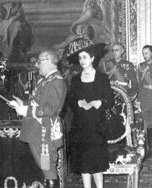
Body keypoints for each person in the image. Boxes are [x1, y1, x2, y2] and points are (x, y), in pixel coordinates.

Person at [9, 50, 67, 188]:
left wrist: (26, 110)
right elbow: (38, 102)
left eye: (39, 62)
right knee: (45, 169)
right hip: (36, 130)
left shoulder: (56, 81)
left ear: (48, 61)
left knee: (48, 169)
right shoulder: (46, 80)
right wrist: (23, 104)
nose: (37, 65)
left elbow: (49, 109)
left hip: (44, 132)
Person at [67, 38, 112, 188]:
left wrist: (98, 102)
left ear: (93, 58)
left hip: (96, 126)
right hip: (80, 126)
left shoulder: (102, 78)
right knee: (84, 162)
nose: (82, 61)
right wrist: (77, 102)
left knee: (96, 162)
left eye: (85, 57)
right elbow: (71, 100)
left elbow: (110, 101)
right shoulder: (75, 79)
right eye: (80, 58)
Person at [138, 45, 152, 154]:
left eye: (146, 53)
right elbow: (139, 84)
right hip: (146, 97)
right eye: (143, 53)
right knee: (147, 123)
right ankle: (149, 149)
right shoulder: (141, 66)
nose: (144, 55)